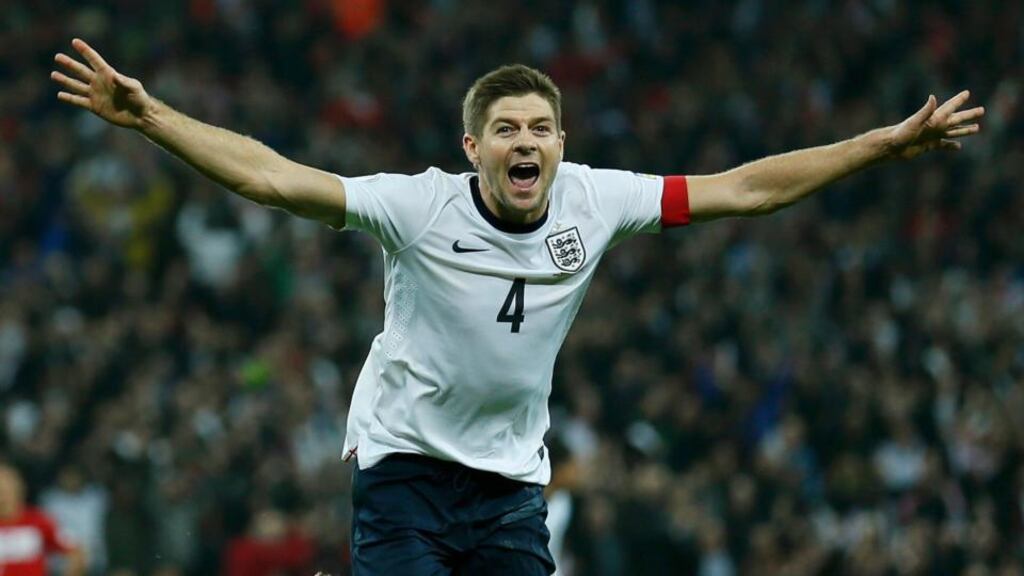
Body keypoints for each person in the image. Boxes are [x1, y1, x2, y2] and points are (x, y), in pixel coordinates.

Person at [51, 38, 984, 575]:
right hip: (407, 468)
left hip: (508, 485)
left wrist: (879, 144)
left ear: (562, 143)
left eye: (540, 127)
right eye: (506, 129)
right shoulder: (418, 208)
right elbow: (273, 179)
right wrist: (152, 117)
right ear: (474, 148)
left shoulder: (596, 198)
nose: (525, 140)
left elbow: (744, 190)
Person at [0, 463, 87, 576]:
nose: (3, 495)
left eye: (7, 489)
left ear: (20, 488)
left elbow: (76, 551)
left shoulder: (39, 521)